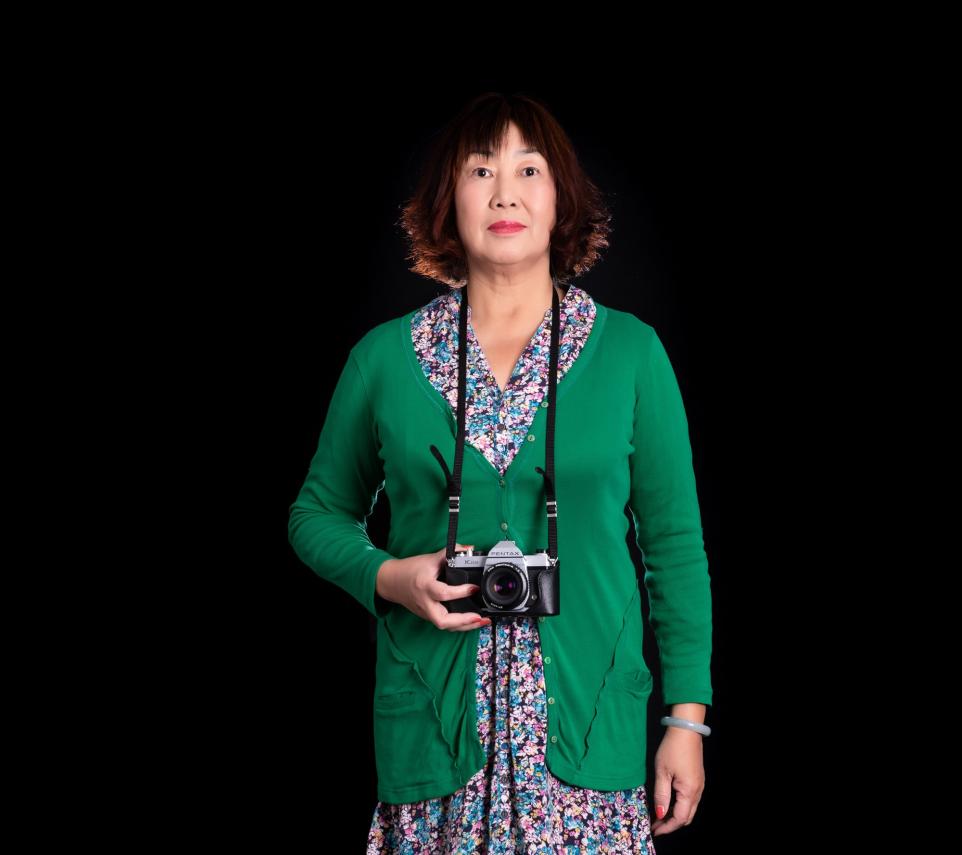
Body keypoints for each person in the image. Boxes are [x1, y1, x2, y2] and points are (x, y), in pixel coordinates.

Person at [288, 91, 713, 853]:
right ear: (448, 201)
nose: (505, 191)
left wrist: (686, 720)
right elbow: (315, 513)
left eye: (529, 168)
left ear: (563, 200)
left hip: (588, 753)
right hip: (436, 751)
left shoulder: (632, 354)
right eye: (480, 169)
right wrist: (393, 576)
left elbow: (675, 548)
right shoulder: (384, 359)